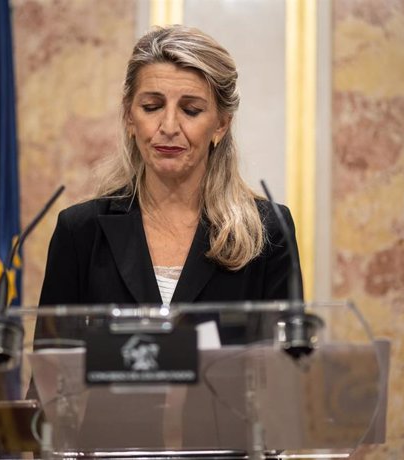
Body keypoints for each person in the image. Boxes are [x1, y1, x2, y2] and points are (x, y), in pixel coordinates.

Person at [38, 25, 303, 335]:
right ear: (129, 117)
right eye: (152, 107)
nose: (168, 126)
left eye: (190, 110)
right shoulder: (80, 231)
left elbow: (287, 369)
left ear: (220, 125)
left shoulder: (268, 230)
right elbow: (50, 370)